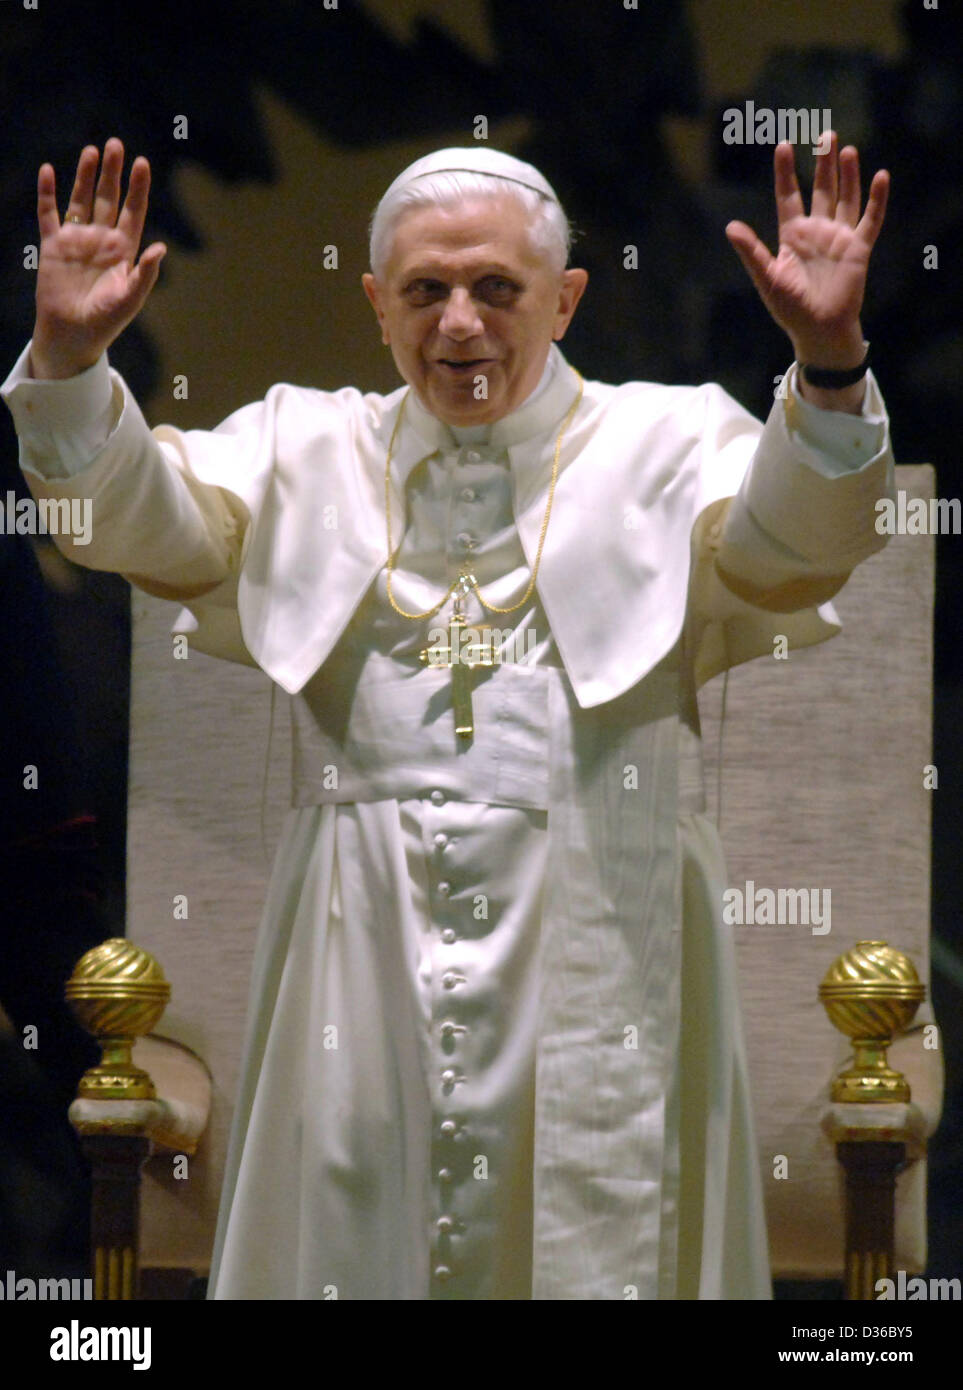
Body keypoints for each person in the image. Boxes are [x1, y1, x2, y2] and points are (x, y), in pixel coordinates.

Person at [2, 135, 893, 1300]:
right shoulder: (303, 447)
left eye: (496, 290)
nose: (459, 323)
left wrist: (827, 366)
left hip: (606, 931)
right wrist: (71, 365)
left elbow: (801, 544)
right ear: (378, 305)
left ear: (565, 299)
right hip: (361, 948)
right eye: (425, 291)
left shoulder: (670, 443)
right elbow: (128, 518)